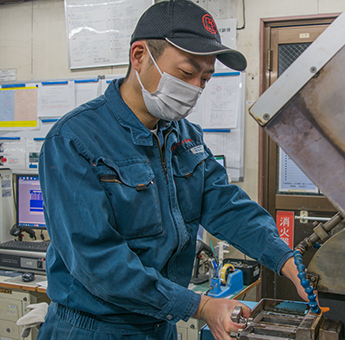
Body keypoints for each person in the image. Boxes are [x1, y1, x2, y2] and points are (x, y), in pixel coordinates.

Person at [37, 1, 306, 339]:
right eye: (186, 73)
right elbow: (97, 261)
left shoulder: (185, 136)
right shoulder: (74, 140)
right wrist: (201, 306)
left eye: (205, 78)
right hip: (94, 329)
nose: (195, 87)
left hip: (161, 324)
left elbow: (226, 206)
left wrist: (284, 259)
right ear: (139, 56)